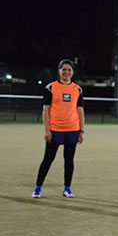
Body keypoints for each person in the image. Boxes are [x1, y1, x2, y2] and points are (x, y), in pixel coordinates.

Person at [32, 59, 85, 198]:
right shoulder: (51, 88)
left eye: (69, 70)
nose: (66, 72)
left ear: (72, 72)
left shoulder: (77, 89)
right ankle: (38, 188)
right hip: (55, 130)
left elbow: (80, 111)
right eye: (64, 69)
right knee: (48, 159)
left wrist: (81, 130)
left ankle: (67, 188)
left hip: (72, 129)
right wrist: (47, 130)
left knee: (69, 160)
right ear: (59, 71)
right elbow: (46, 110)